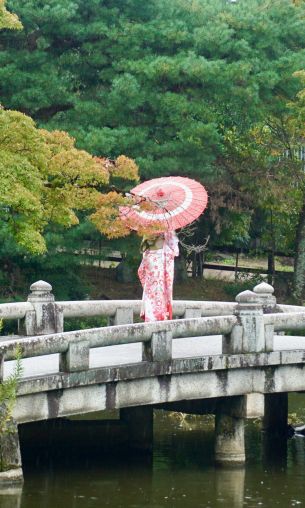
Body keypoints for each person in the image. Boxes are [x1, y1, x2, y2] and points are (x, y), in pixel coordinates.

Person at [138, 230, 179, 322]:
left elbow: (141, 272)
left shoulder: (147, 254)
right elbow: (175, 250)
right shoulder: (167, 254)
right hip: (162, 290)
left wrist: (147, 285)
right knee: (161, 318)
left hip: (149, 292)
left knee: (151, 318)